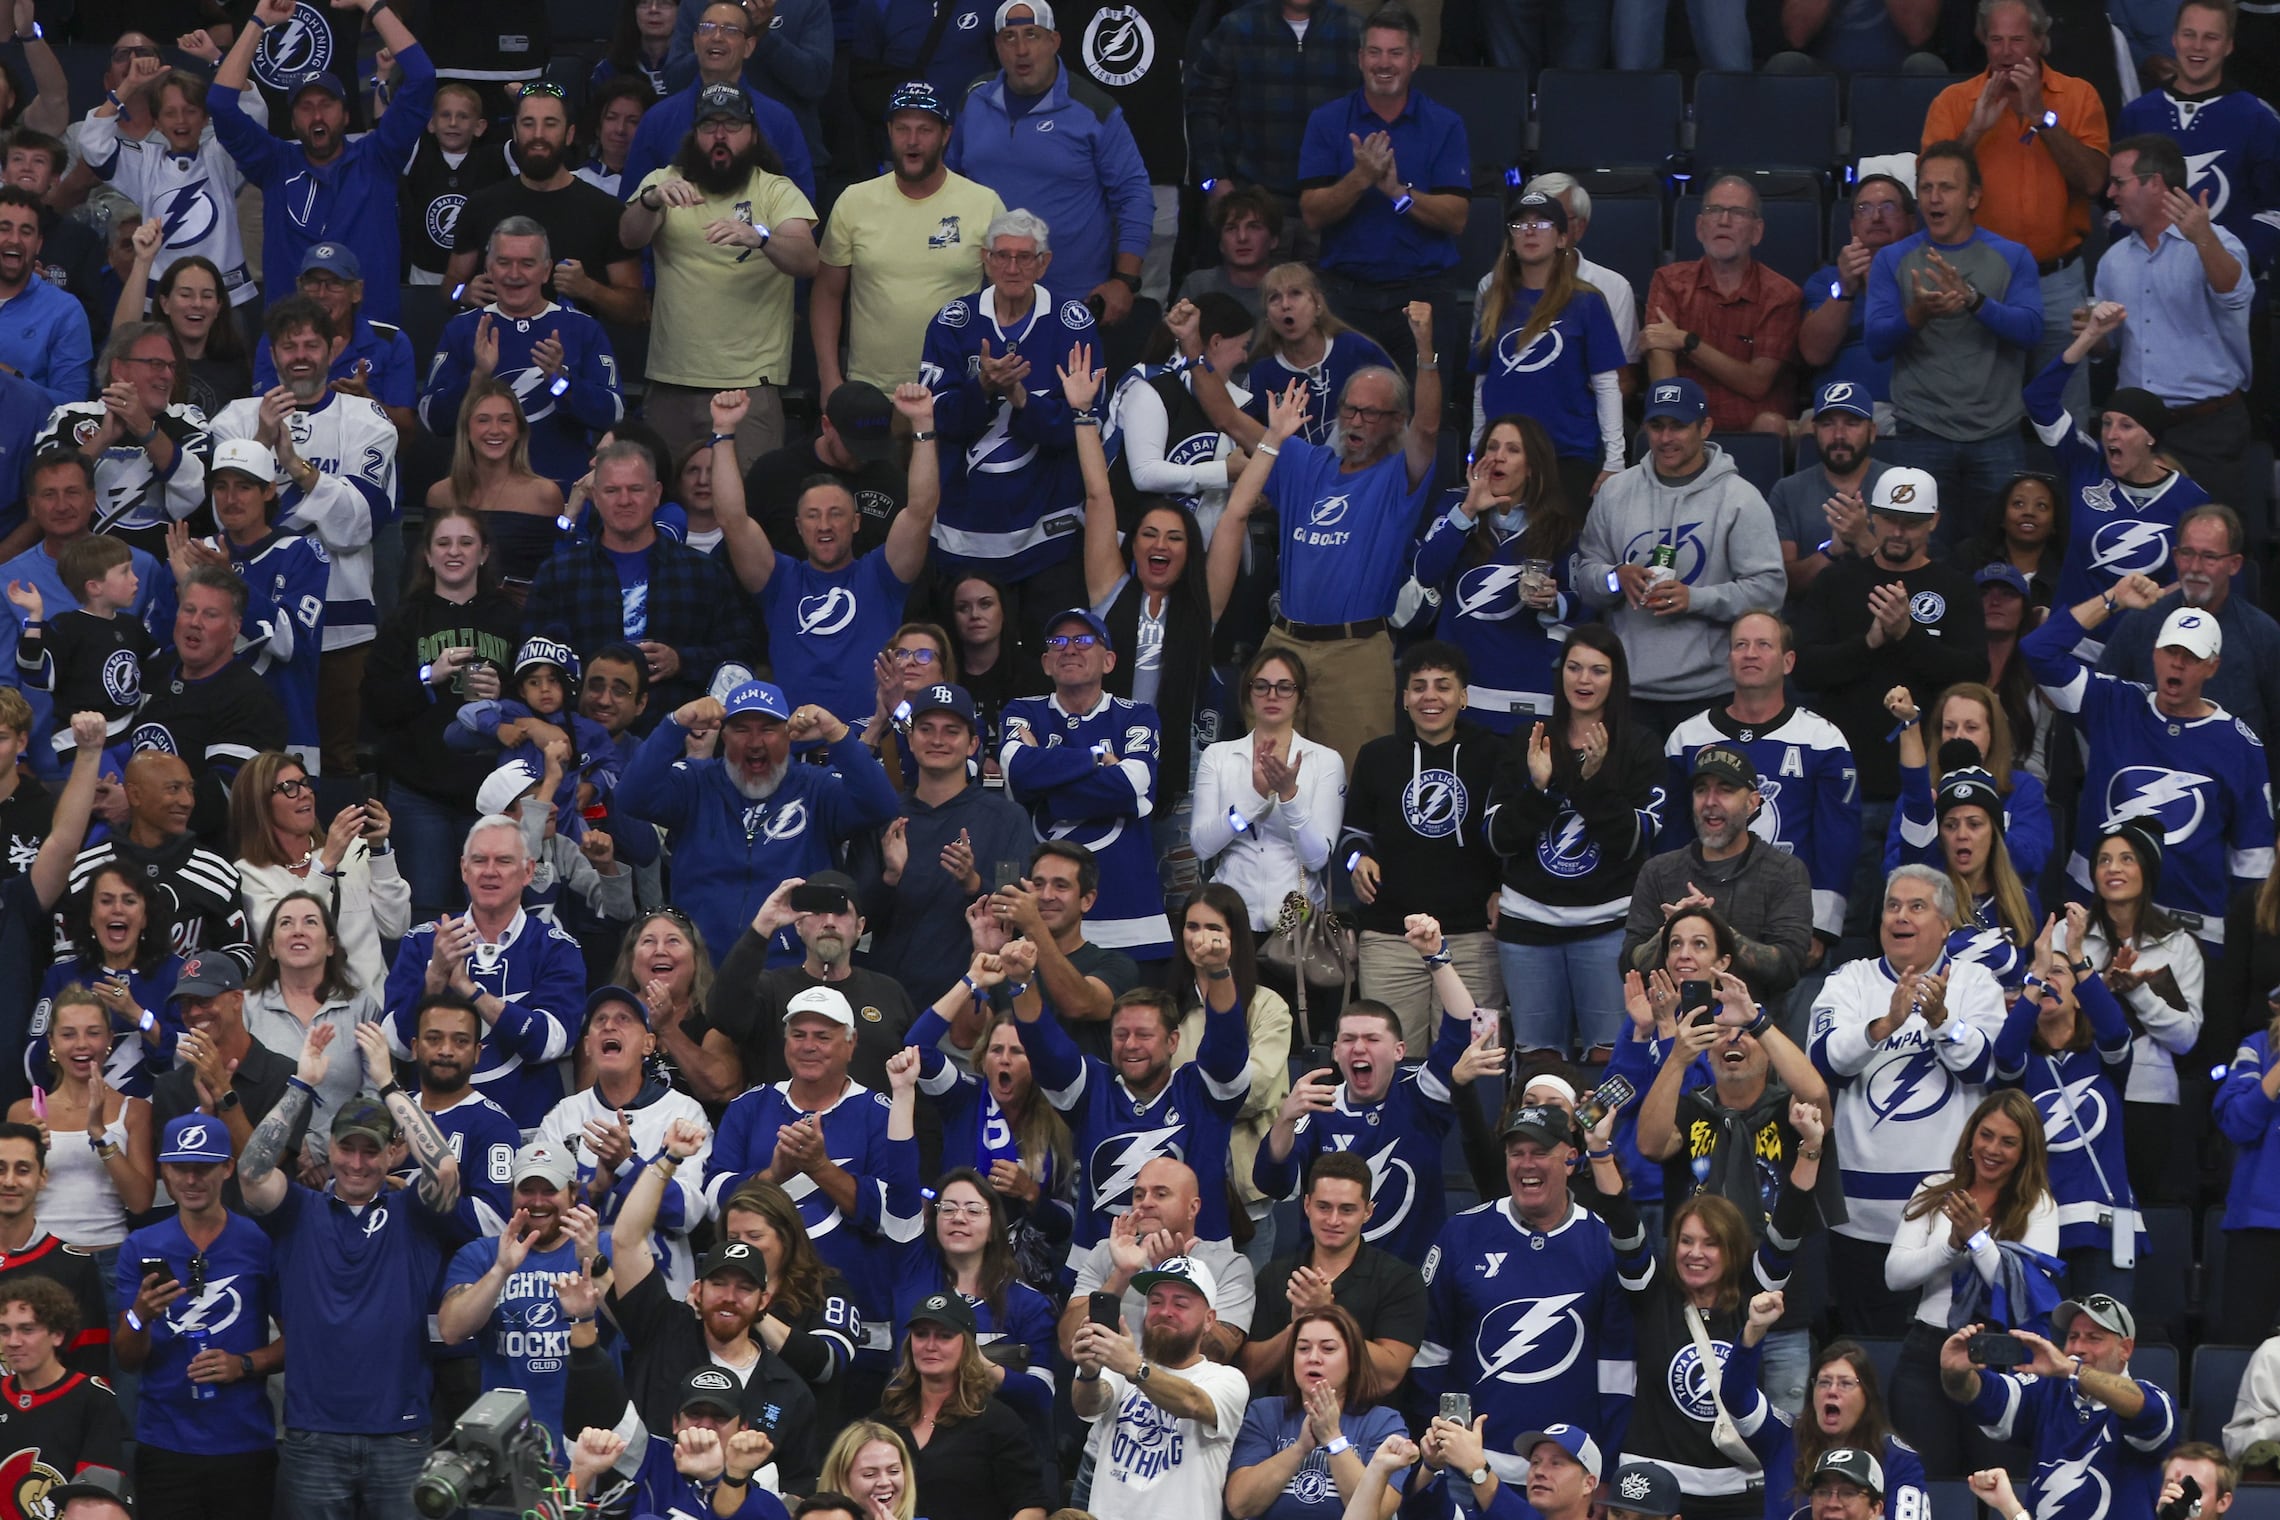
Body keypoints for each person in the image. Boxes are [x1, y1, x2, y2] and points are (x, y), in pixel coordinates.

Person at [239, 1022, 468, 1517]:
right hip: (313, 1433)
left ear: (393, 1152)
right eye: (347, 1148)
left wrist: (388, 1085)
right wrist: (301, 1084)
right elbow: (252, 1173)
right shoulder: (299, 1210)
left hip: (400, 1433)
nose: (358, 1163)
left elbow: (445, 1169)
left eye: (371, 1150)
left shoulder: (415, 1215)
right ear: (331, 1149)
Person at [1625, 905, 1835, 1415]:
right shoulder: (1692, 1108)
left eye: (1743, 1036)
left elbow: (1817, 1094)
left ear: (1766, 1050)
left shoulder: (1790, 1113)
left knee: (1780, 1445)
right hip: (1699, 1319)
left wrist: (1757, 1021)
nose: (1732, 1041)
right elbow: (1651, 1144)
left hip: (1782, 1316)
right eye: (1722, 1036)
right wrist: (1676, 1052)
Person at [1221, 317, 1440, 773]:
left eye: (1370, 414)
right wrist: (1194, 352)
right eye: (1349, 410)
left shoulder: (1400, 474)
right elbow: (1228, 419)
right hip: (1285, 640)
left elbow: (1428, 430)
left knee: (1358, 778)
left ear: (1396, 421)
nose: (1355, 422)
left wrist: (1424, 353)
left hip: (1356, 652)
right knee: (1261, 771)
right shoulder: (1308, 462)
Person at [1602, 1089, 1826, 1518]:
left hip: (1736, 1492)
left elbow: (1788, 1227)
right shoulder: (1651, 1293)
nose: (1694, 1253)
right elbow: (1623, 1222)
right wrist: (1599, 1151)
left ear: (1732, 1251)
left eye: (1710, 1243)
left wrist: (1810, 1148)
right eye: (1685, 1241)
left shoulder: (1753, 1294)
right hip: (1652, 1491)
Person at [1808, 864, 2010, 1336]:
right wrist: (1884, 1026)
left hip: (1945, 1215)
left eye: (1917, 906)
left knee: (1938, 1354)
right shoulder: (1849, 980)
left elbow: (1983, 1066)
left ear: (1945, 924)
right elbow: (1822, 1060)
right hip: (1858, 1217)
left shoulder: (1976, 983)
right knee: (1867, 1357)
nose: (1901, 916)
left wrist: (1942, 1021)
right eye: (1892, 906)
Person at [2023, 580, 2273, 951]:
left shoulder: (2239, 744)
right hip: (2093, 918)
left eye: (2191, 656)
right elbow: (2037, 651)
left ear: (2212, 667)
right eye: (2170, 651)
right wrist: (2112, 600)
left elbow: (2253, 863)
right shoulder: (2114, 704)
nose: (2178, 663)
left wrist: (2241, 952)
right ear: (2154, 653)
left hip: (2191, 934)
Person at [208, 296, 398, 777]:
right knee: (246, 755)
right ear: (272, 355)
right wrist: (258, 441)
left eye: (311, 344)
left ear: (333, 349)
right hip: (254, 618)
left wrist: (292, 463)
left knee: (334, 760)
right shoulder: (234, 417)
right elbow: (229, 509)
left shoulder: (367, 420)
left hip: (342, 620)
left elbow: (358, 525)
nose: (300, 355)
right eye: (288, 345)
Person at [1794, 466, 1988, 909]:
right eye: (1890, 518)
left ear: (1935, 521)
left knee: (1929, 917)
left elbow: (1974, 674)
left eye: (1913, 521)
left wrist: (1906, 634)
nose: (1899, 531)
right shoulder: (1837, 582)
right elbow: (1805, 670)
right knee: (1849, 918)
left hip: (1929, 789)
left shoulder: (1955, 588)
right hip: (1848, 787)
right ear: (1872, 518)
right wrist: (1870, 642)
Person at [1415, 1100, 1635, 1468]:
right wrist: (1438, 1445)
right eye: (1516, 1153)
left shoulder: (1602, 1241)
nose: (1526, 1164)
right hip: (1468, 1467)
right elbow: (1428, 1354)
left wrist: (1606, 1468)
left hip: (1568, 1475)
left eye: (1540, 1152)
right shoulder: (1462, 1233)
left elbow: (1617, 1372)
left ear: (1570, 1158)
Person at [1922, 0, 2111, 424]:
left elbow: (2094, 182)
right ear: (1982, 42)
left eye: (2018, 40)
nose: (2006, 52)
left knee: (2067, 419)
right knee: (1980, 415)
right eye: (1996, 40)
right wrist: (1975, 129)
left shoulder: (2078, 96)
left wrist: (2041, 117)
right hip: (1978, 280)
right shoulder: (1954, 101)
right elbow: (1931, 193)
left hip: (2058, 283)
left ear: (2041, 42)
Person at [1486, 624, 1669, 1059]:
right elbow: (1497, 838)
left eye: (1598, 670)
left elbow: (1632, 842)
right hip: (1527, 925)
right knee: (1537, 1060)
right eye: (1574, 668)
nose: (1584, 681)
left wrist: (1593, 784)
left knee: (1612, 1057)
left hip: (1609, 926)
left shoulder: (1640, 746)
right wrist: (1540, 789)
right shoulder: (1528, 741)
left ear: (1616, 678)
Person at [610, 1120, 826, 1491]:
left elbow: (797, 1493)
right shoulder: (663, 1327)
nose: (729, 1296)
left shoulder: (789, 1390)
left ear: (765, 1300)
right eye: (719, 1283)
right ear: (698, 1287)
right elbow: (627, 1239)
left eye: (744, 1288)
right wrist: (669, 1158)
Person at [1257, 914, 1485, 1262]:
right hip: (1329, 1282)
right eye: (1348, 1039)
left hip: (1409, 1281)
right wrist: (1285, 1119)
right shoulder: (1319, 1107)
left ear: (1399, 1051)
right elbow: (1272, 1183)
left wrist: (1437, 956)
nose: (1358, 1048)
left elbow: (1465, 1029)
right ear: (1335, 1052)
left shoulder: (1418, 1096)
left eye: (1372, 1039)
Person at [709, 384, 937, 728]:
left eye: (836, 513)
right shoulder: (780, 581)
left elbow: (920, 511)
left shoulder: (881, 576)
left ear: (857, 522)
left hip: (870, 749)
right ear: (798, 527)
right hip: (797, 753)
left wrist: (923, 424)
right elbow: (732, 520)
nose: (824, 525)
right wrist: (723, 432)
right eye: (813, 516)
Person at [1573, 379, 1785, 737]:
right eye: (1657, 426)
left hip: (1709, 693)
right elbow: (1584, 579)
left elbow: (1769, 592)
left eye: (1678, 426)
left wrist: (1696, 599)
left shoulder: (1740, 499)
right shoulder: (1615, 492)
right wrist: (1616, 577)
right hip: (1629, 690)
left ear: (1705, 428)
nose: (1665, 438)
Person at [620, 87, 817, 461]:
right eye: (709, 125)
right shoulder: (665, 180)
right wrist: (650, 200)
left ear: (753, 134)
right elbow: (629, 237)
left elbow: (807, 259)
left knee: (746, 505)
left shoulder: (775, 190)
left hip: (749, 387)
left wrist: (759, 237)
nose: (720, 136)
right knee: (669, 503)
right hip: (670, 382)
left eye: (732, 125)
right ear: (694, 134)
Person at [209, 0, 434, 327]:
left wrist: (370, 4)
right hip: (292, 344)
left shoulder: (377, 157)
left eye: (327, 104)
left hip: (371, 342)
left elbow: (422, 76)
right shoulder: (274, 164)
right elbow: (221, 104)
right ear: (293, 121)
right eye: (305, 107)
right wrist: (258, 20)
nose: (317, 115)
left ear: (345, 115)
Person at [1863, 142, 2042, 548]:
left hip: (1997, 435)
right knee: (1922, 557)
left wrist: (1974, 301)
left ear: (1974, 197)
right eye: (1925, 188)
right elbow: (1875, 342)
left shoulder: (2011, 257)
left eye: (1946, 187)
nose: (1934, 198)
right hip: (1922, 431)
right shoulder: (1893, 259)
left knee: (2000, 556)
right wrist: (1918, 314)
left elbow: (2031, 331)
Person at [1663, 611, 1862, 965]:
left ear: (1788, 662)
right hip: (1700, 924)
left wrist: (1820, 927)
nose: (1750, 653)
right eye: (1740, 645)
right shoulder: (1687, 738)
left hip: (1788, 922)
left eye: (1763, 645)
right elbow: (1671, 838)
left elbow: (1838, 840)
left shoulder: (1823, 739)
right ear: (1729, 659)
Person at [113, 1112, 282, 1519]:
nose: (191, 1180)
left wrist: (243, 1364)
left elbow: (299, 1341)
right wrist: (140, 1315)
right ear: (165, 1171)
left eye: (203, 1168)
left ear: (227, 1168)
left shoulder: (257, 1242)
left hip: (243, 1441)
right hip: (165, 1440)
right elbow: (127, 1358)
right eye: (180, 1168)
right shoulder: (140, 1245)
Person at [1884, 1088, 2058, 1476]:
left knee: (1997, 1482)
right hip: (1928, 1352)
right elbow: (1895, 1275)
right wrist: (1950, 1245)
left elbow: (2025, 1294)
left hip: (2000, 1356)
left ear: (2025, 1152)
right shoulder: (1934, 1190)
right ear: (1971, 1136)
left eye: (2008, 1142)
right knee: (1930, 1483)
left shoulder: (2039, 1206)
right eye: (1986, 1135)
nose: (1992, 1149)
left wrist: (1977, 1239)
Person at [946, 0, 1150, 329]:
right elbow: (949, 183)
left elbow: (1135, 195)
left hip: (1072, 302)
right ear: (997, 47)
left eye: (1032, 35)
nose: (1021, 49)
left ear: (1054, 41)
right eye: (1009, 38)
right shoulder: (974, 99)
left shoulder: (1094, 110)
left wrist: (1125, 280)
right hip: (983, 298)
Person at [360, 507, 521, 922]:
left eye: (466, 542)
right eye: (443, 543)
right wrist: (428, 675)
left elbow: (542, 699)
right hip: (419, 794)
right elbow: (375, 704)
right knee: (425, 917)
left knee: (491, 913)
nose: (455, 552)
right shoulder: (403, 619)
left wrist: (504, 694)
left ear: (484, 553)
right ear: (427, 556)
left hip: (492, 795)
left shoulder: (510, 617)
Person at [519, 441, 756, 720]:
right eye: (612, 490)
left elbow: (741, 653)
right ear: (595, 496)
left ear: (656, 495)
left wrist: (682, 661)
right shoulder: (558, 574)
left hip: (679, 738)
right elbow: (531, 662)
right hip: (580, 741)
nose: (624, 500)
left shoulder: (704, 572)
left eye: (635, 489)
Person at [1342, 643, 1506, 1043]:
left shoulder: (1495, 753)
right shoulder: (1376, 756)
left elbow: (1513, 835)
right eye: (1418, 687)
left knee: (1475, 1061)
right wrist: (1356, 860)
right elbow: (1350, 837)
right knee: (1390, 1063)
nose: (1430, 697)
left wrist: (1503, 889)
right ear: (1404, 698)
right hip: (1390, 940)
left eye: (1443, 686)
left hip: (1472, 939)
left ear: (1463, 696)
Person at [381, 814, 583, 1134]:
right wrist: (434, 980)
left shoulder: (555, 948)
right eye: (479, 860)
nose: (490, 872)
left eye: (503, 861)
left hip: (529, 1133)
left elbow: (546, 1043)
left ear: (528, 871)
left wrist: (467, 988)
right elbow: (398, 1045)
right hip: (432, 1132)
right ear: (464, 869)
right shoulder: (421, 942)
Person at [1296, 6, 1468, 379]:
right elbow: (1312, 212)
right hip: (1346, 298)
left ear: (1415, 60)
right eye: (1374, 52)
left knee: (1423, 420)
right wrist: (1360, 179)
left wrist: (1397, 193)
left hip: (1423, 297)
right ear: (1360, 59)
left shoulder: (1445, 124)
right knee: (1343, 419)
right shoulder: (1326, 121)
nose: (1383, 63)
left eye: (1395, 53)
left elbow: (1456, 218)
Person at [998, 607, 1172, 961]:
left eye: (1083, 640)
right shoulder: (1022, 711)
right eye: (1059, 641)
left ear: (1108, 661)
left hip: (1132, 922)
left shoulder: (1137, 714)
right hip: (1045, 925)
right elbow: (1017, 772)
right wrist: (1095, 760)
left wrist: (1048, 789)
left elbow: (1132, 782)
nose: (1070, 648)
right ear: (1046, 662)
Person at [2093, 135, 2255, 514]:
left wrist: (2203, 239)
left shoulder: (2217, 243)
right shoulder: (2113, 261)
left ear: (2155, 183)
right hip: (2137, 434)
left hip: (2208, 430)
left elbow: (2236, 295)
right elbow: (2108, 348)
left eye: (2120, 182)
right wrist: (2092, 335)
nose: (2110, 193)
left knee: (2214, 542)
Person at [815, 82, 1004, 398]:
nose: (912, 141)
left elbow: (1010, 296)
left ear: (945, 135)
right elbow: (826, 294)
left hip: (954, 389)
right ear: (889, 131)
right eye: (902, 129)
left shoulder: (985, 204)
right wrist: (829, 377)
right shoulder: (854, 201)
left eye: (925, 130)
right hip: (870, 391)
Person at [1994, 904, 2143, 1302]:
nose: (2047, 982)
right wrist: (2036, 972)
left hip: (2106, 1229)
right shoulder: (2024, 1064)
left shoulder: (2104, 1059)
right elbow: (2005, 1054)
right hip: (2038, 1228)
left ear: (2081, 998)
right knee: (2043, 1351)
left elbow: (2114, 1029)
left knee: (2103, 1349)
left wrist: (2076, 955)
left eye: (2056, 975)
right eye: (2041, 975)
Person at [417, 219, 626, 498]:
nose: (514, 274)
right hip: (480, 501)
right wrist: (477, 377)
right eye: (504, 262)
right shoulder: (463, 328)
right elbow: (433, 419)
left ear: (546, 270)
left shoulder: (582, 329)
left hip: (562, 495)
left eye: (527, 263)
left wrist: (563, 383)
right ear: (489, 268)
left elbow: (614, 414)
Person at [2026, 303, 2210, 619]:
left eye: (2126, 426)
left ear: (2151, 437)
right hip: (2072, 637)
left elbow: (2205, 574)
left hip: (2138, 647)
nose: (2112, 434)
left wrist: (2159, 600)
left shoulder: (2190, 499)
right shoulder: (2085, 461)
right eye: (2108, 422)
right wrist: (2090, 336)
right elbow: (2038, 399)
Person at [2062, 815, 2206, 1209]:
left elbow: (2186, 1038)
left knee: (2146, 1214)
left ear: (2148, 868)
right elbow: (2047, 1015)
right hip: (2077, 1091)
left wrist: (2138, 992)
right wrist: (2101, 988)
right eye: (2104, 860)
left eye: (2126, 859)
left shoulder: (2178, 945)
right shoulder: (2069, 934)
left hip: (2150, 1099)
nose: (2113, 869)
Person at [1409, 418, 1577, 738]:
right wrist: (1469, 509)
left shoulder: (1559, 528)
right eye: (1492, 447)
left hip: (1527, 696)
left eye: (1513, 450)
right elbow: (1426, 572)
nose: (1498, 457)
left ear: (1532, 468)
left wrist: (1555, 602)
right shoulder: (1455, 508)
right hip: (1459, 694)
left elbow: (1583, 602)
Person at [1939, 1296, 2177, 1516]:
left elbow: (2140, 1406)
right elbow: (1983, 1396)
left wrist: (2072, 1370)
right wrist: (1956, 1372)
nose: (2078, 1348)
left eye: (2093, 1338)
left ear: (2125, 1349)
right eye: (2073, 1337)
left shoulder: (2148, 1399)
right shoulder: (2048, 1391)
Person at [437, 1137, 603, 1444]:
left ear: (573, 1193)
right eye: (527, 1190)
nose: (538, 1201)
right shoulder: (481, 1255)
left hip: (591, 1443)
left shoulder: (602, 1248)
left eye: (550, 1190)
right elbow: (451, 1330)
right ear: (511, 1194)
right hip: (507, 1444)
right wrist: (500, 1271)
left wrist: (595, 1260)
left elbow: (636, 1326)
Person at [441, 86, 646, 332]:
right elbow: (448, 287)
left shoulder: (606, 211)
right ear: (515, 133)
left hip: (573, 360)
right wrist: (463, 293)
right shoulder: (481, 205)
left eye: (550, 124)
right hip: (495, 357)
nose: (538, 134)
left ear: (569, 135)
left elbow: (635, 309)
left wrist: (589, 289)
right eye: (528, 123)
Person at [1468, 191, 1624, 507]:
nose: (1529, 230)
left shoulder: (1587, 302)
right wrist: (1477, 449)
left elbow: (1608, 385)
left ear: (1562, 238)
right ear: (1510, 239)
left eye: (1542, 223)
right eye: (1520, 224)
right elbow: (1482, 385)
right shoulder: (1494, 301)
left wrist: (1615, 460)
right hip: (1503, 460)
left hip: (1566, 454)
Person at [179, 439, 329, 766]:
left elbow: (289, 644)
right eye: (221, 487)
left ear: (269, 491)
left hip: (283, 740)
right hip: (202, 729)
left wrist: (228, 581)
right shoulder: (191, 554)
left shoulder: (301, 553)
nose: (230, 499)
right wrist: (181, 589)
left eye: (243, 487)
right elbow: (168, 649)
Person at [2101, 506, 2280, 779]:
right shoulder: (2141, 621)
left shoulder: (2262, 633)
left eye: (2209, 557)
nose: (2195, 568)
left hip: (2231, 787)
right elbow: (2103, 703)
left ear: (2235, 564)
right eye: (2187, 554)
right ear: (2175, 556)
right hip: (2147, 781)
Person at [1071, 1253, 1253, 1519]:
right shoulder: (1119, 1363)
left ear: (1209, 1320)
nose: (1165, 1312)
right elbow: (1087, 1406)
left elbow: (1193, 1402)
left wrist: (1135, 1368)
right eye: (1156, 1302)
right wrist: (1088, 1372)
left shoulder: (1227, 1379)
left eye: (1180, 1304)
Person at [1238, 1152, 1428, 1393]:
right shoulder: (1275, 1275)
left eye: (1347, 1210)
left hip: (1368, 1423)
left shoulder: (1401, 1280)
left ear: (1368, 1212)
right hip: (1285, 1423)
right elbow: (1249, 1372)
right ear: (1307, 1205)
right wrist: (1298, 1325)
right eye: (1324, 1207)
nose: (1333, 1220)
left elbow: (1389, 1376)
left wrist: (1326, 1312)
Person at [1191, 648, 1345, 938]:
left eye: (1285, 687)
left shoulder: (1325, 760)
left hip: (1298, 926)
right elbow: (1203, 846)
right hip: (1228, 917)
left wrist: (1290, 797)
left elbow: (1316, 859)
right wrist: (1255, 796)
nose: (1272, 695)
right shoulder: (1217, 756)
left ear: (1300, 697)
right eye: (1261, 686)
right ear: (1248, 693)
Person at [2117, 0, 2280, 274]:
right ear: (2174, 39)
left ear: (2228, 45)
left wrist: (2238, 271)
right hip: (2148, 291)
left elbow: (2274, 209)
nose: (2198, 47)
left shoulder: (2257, 118)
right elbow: (2114, 205)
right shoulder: (2137, 115)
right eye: (2189, 34)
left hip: (2231, 297)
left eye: (2211, 37)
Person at [1878, 718, 2039, 991]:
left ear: (1994, 833)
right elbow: (1915, 799)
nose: (1962, 834)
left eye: (1974, 824)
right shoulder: (1924, 896)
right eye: (1950, 825)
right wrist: (1910, 723)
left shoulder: (2022, 902)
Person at [34, 320, 210, 559]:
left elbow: (195, 493)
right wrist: (103, 439)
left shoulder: (187, 419)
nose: (168, 375)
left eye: (172, 366)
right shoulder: (70, 417)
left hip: (161, 573)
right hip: (76, 569)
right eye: (156, 364)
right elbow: (45, 487)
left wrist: (146, 429)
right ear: (119, 368)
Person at [1643, 177, 1803, 438]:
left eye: (1738, 213)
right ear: (1699, 227)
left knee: (1771, 425)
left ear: (1757, 231)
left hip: (1751, 430)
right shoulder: (1669, 282)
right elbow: (1665, 383)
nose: (1724, 221)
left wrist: (1686, 341)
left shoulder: (1781, 294)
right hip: (1686, 426)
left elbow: (1757, 383)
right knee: (1666, 421)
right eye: (1714, 211)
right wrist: (1681, 422)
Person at [1184, 0, 1361, 234]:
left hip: (1334, 211)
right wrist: (1214, 181)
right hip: (1253, 211)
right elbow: (1200, 106)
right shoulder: (1238, 27)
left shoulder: (1356, 30)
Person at [874, 1290, 1053, 1520]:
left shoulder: (999, 1423)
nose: (930, 1345)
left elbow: (1031, 1505)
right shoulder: (882, 1420)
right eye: (920, 1334)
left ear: (968, 1346)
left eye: (944, 1336)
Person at [1724, 1322, 1930, 1520]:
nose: (1832, 1391)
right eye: (1823, 1382)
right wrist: (1754, 1331)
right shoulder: (1781, 1436)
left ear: (1867, 1396)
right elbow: (1735, 1396)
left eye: (1845, 1383)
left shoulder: (1899, 1460)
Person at [67, 750, 253, 967]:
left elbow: (241, 953)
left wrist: (198, 988)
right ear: (135, 795)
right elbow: (67, 958)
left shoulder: (218, 872)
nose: (187, 801)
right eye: (173, 789)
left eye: (190, 789)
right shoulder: (85, 870)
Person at [1227, 1301, 1410, 1520]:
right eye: (1303, 1348)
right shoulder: (1265, 1413)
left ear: (1352, 1360)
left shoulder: (1384, 1423)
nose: (1313, 1358)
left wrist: (1333, 1438)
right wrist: (1300, 1448)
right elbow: (1239, 1505)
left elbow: (1379, 1513)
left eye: (1328, 1349)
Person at [621, 0, 817, 202]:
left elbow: (803, 210)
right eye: (707, 28)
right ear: (696, 42)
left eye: (730, 30)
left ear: (749, 46)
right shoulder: (658, 119)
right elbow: (629, 208)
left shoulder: (779, 120)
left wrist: (759, 234)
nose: (716, 37)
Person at [238, 886, 384, 1127]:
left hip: (345, 1153)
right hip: (265, 1151)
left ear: (330, 945)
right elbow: (238, 1088)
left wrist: (321, 1145)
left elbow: (375, 1091)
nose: (298, 931)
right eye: (286, 923)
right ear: (271, 948)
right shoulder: (247, 1005)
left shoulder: (362, 1006)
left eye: (310, 922)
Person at [1883, 681, 2054, 888]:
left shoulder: (2023, 788)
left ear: (1993, 734)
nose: (1958, 736)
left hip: (2004, 911)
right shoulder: (1922, 794)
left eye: (1971, 727)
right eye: (1949, 727)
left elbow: (2031, 861)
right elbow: (1893, 871)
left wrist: (1983, 826)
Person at [247, 243, 420, 434]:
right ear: (300, 288)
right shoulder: (276, 339)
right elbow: (260, 416)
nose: (321, 294)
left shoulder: (391, 342)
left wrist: (367, 403)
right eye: (312, 283)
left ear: (356, 291)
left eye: (335, 283)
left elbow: (406, 434)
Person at [426, 381, 564, 601]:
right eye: (483, 420)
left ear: (518, 430)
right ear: (467, 430)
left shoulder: (544, 495)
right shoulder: (441, 495)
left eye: (505, 420)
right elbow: (427, 577)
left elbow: (554, 580)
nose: (495, 430)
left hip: (521, 623)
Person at [1797, 177, 1915, 411]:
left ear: (1911, 222)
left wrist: (1877, 281)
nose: (1876, 217)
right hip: (1834, 411)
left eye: (1888, 207)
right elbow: (1813, 354)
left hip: (1909, 411)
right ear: (1852, 225)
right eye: (1864, 209)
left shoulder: (1927, 275)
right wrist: (1845, 288)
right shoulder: (1826, 280)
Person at [108, 242, 247, 419]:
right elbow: (121, 340)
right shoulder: (144, 362)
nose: (197, 303)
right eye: (185, 295)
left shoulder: (235, 366)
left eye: (207, 296)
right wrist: (143, 261)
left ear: (218, 307)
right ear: (165, 303)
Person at [0, 187, 90, 408]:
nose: (15, 240)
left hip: (26, 439)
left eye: (26, 231)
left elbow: (73, 405)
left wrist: (11, 379)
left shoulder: (65, 311)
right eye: (4, 229)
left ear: (39, 244)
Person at [1957, 475, 2063, 612]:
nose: (2029, 512)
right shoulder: (1969, 558)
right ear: (2002, 516)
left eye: (2041, 506)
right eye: (2018, 504)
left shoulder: (2067, 575)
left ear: (2054, 523)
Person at [1177, 187, 1281, 319]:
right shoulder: (1198, 286)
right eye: (1231, 228)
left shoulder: (1290, 290)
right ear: (1220, 243)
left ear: (1273, 240)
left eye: (1253, 227)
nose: (1242, 237)